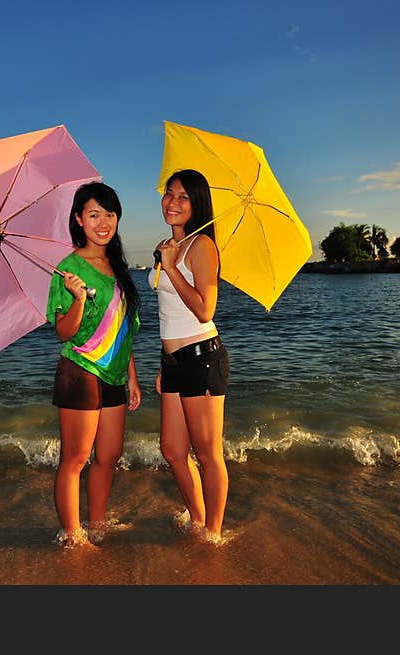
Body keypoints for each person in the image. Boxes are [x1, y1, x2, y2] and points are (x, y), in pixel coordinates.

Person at [46, 181, 141, 546]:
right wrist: (78, 300)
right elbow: (63, 332)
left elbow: (124, 328)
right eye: (94, 214)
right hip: (80, 371)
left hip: (116, 374)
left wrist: (132, 377)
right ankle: (72, 535)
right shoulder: (67, 268)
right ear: (78, 220)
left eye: (110, 214)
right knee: (76, 458)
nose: (103, 222)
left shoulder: (117, 266)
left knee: (110, 454)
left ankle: (97, 523)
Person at [149, 169, 230, 543]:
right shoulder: (168, 245)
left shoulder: (202, 247)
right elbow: (168, 314)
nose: (173, 202)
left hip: (202, 357)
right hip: (175, 362)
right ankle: (198, 518)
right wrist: (165, 363)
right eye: (169, 194)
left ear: (197, 204)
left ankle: (213, 533)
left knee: (208, 453)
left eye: (183, 196)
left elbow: (204, 309)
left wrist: (170, 268)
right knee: (172, 449)